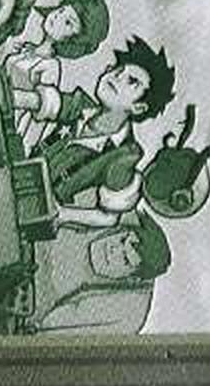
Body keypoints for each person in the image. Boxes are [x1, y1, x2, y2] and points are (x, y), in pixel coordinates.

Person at [12, 36, 176, 228]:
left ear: (138, 107)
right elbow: (41, 102)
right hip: (18, 176)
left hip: (32, 211)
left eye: (132, 81)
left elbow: (108, 217)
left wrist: (62, 214)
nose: (116, 77)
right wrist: (11, 97)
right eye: (117, 70)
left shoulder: (122, 156)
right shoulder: (81, 107)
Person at [1, 0, 111, 154]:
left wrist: (20, 147)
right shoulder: (26, 50)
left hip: (9, 126)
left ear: (73, 40)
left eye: (68, 22)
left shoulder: (50, 67)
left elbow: (38, 117)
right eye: (61, 10)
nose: (57, 17)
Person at [29, 209, 172, 333]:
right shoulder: (113, 208)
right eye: (122, 240)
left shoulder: (126, 314)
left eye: (125, 259)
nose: (113, 249)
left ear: (131, 279)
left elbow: (43, 335)